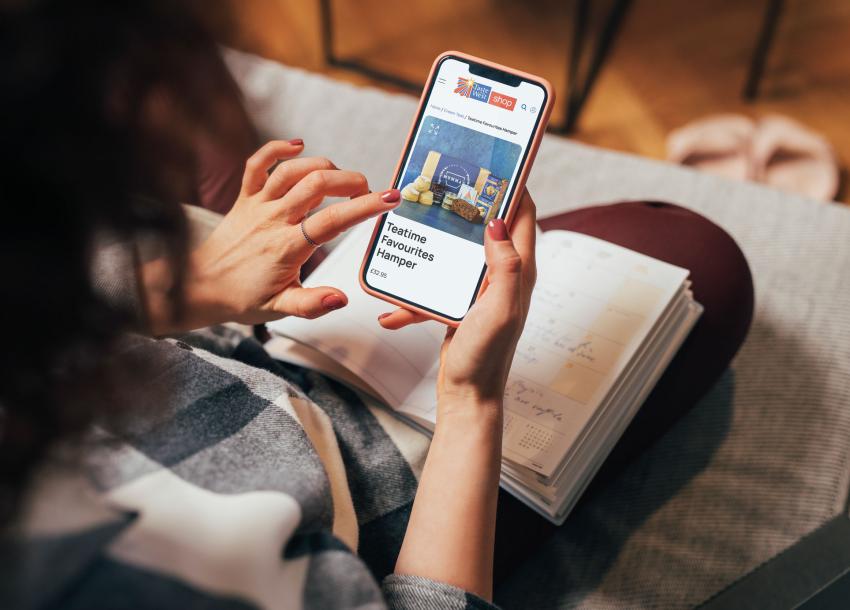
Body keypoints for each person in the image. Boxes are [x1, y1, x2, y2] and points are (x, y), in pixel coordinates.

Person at [0, 2, 753, 609]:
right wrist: (472, 397)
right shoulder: (141, 579)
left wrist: (190, 290)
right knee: (694, 252)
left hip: (211, 348)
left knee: (221, 154)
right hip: (359, 485)